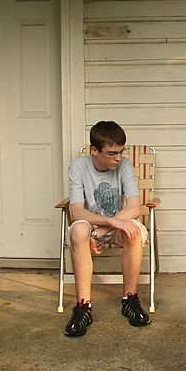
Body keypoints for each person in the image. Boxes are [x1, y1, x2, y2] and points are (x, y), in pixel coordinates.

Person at [64, 120, 151, 337]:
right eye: (112, 153)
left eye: (121, 152)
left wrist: (103, 231)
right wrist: (109, 223)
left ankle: (129, 299)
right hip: (91, 226)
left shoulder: (124, 166)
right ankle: (84, 307)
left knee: (134, 231)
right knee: (78, 230)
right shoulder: (78, 167)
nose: (118, 158)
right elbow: (76, 212)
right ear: (94, 150)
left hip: (110, 227)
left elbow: (133, 208)